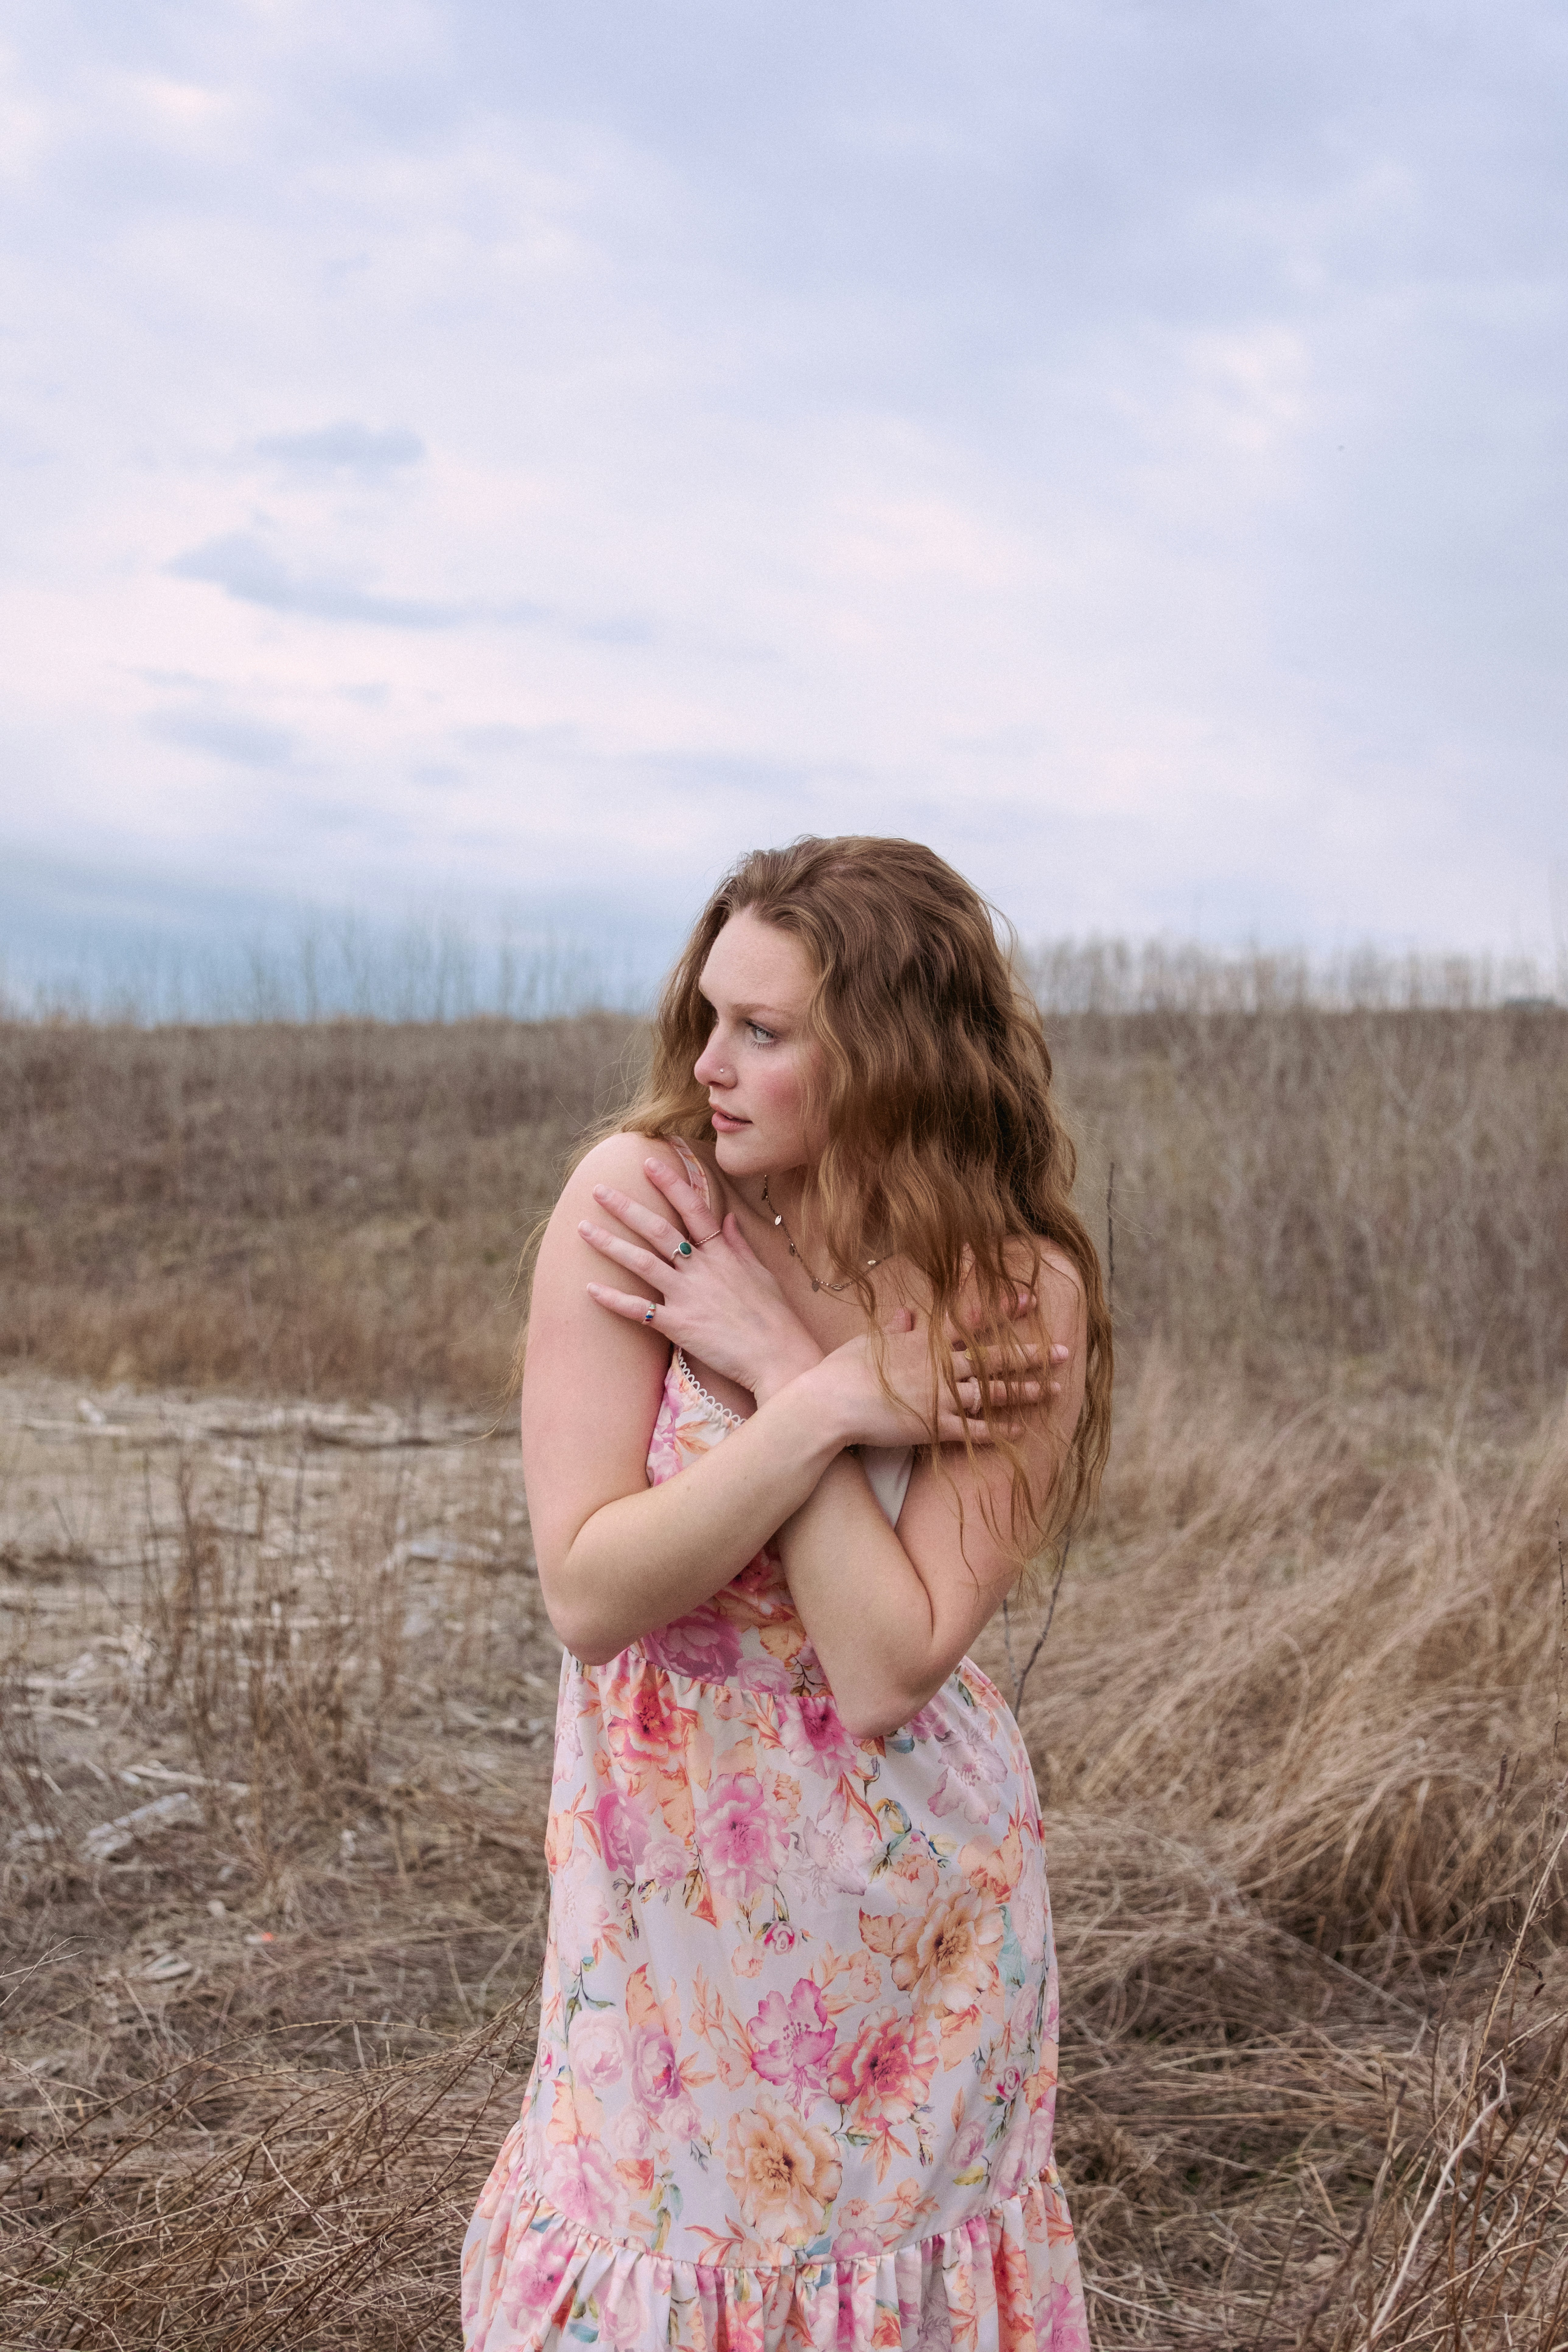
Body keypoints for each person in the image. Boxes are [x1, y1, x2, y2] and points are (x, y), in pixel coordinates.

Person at [461, 837, 1111, 2352]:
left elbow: (886, 1667)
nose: (708, 1065)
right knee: (643, 2253)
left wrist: (769, 1367)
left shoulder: (1013, 1294)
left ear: (891, 1055)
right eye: (708, 1016)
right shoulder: (643, 1203)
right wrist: (829, 1404)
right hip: (664, 1875)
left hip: (923, 1912)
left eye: (762, 1031)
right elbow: (590, 1590)